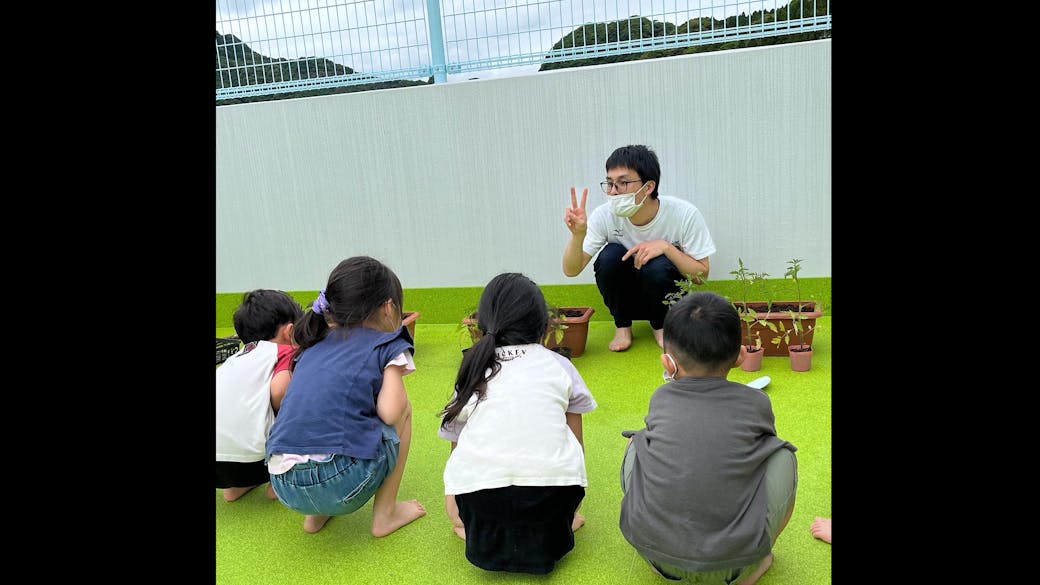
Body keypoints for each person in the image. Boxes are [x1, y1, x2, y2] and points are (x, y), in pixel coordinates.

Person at [619, 291, 798, 584]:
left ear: (668, 363)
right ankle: (759, 559)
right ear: (740, 356)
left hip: (656, 556)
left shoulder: (661, 397)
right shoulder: (756, 402)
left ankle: (662, 559)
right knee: (782, 455)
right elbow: (758, 454)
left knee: (635, 442)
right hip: (736, 565)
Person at [439, 272, 598, 574]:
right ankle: (560, 524)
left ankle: (475, 529)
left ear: (483, 324)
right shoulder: (559, 365)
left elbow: (456, 450)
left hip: (480, 500)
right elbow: (576, 448)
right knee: (554, 509)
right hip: (553, 498)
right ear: (545, 325)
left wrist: (455, 510)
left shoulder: (473, 366)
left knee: (472, 511)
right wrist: (570, 508)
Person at [265, 256, 426, 536]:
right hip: (342, 482)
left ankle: (315, 517)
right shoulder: (387, 342)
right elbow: (391, 412)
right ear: (389, 307)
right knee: (405, 410)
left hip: (283, 485)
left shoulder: (312, 343)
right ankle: (386, 514)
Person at [562, 144, 716, 352]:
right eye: (609, 183)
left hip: (666, 297)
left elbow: (701, 275)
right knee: (610, 256)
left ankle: (661, 326)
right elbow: (571, 270)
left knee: (659, 264)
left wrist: (667, 248)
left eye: (623, 183)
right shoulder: (604, 215)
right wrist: (577, 235)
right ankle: (622, 326)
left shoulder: (684, 214)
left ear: (649, 187)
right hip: (625, 298)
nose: (614, 191)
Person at [216, 289, 303, 502]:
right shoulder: (285, 351)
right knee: (298, 403)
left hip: (219, 468)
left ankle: (236, 487)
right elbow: (279, 391)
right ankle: (279, 480)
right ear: (290, 332)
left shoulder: (235, 359)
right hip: (254, 461)